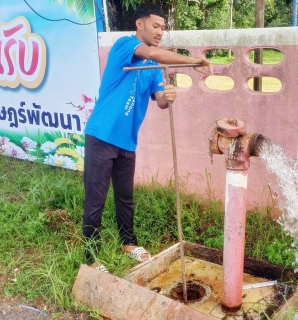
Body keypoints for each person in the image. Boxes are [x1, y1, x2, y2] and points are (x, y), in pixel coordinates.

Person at [82, 2, 213, 272]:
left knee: (125, 196)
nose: (160, 31)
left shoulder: (152, 66)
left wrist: (168, 96)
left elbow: (160, 101)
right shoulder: (124, 46)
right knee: (96, 196)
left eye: (163, 28)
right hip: (102, 135)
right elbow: (156, 53)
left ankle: (128, 243)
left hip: (127, 140)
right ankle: (91, 256)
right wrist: (194, 60)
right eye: (156, 26)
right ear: (139, 24)